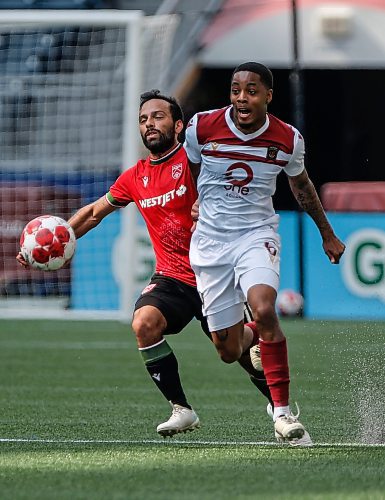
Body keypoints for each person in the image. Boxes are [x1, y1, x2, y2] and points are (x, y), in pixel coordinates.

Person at [16, 89, 273, 438]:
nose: (149, 123)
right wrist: (50, 242)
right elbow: (93, 213)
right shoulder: (135, 177)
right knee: (144, 323)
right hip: (173, 277)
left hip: (215, 272)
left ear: (179, 125)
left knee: (234, 353)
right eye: (143, 119)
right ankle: (182, 409)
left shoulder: (198, 162)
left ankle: (281, 407)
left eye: (157, 116)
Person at [185, 62, 345, 443]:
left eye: (252, 90)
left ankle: (284, 413)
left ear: (268, 96)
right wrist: (191, 205)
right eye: (236, 89)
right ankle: (254, 333)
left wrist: (328, 235)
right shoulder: (201, 127)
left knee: (264, 305)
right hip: (210, 242)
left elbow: (302, 186)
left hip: (256, 235)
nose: (242, 97)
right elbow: (184, 172)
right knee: (227, 351)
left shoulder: (287, 139)